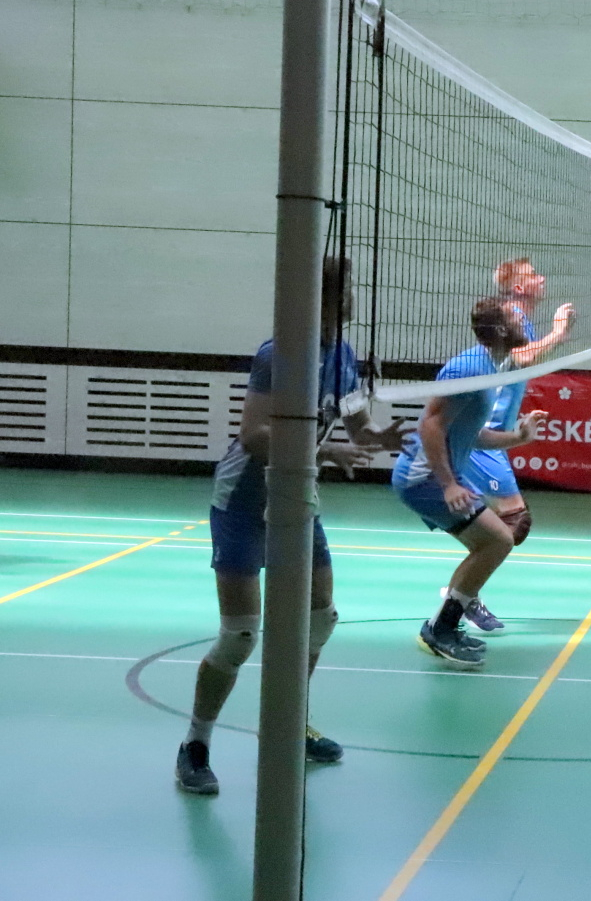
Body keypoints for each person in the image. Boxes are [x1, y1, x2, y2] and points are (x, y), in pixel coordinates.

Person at [176, 257, 408, 796]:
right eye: (343, 290)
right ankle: (195, 745)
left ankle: (287, 721)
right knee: (239, 636)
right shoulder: (277, 354)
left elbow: (356, 423)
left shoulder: (343, 353)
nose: (350, 298)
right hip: (243, 500)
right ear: (321, 297)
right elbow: (254, 436)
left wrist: (378, 438)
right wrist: (325, 451)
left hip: (296, 496)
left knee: (321, 617)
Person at [392, 298, 549, 668]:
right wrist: (448, 484)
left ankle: (442, 627)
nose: (524, 322)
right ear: (500, 330)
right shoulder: (467, 369)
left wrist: (519, 438)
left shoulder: (491, 367)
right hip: (423, 478)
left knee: (489, 545)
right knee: (498, 540)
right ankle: (439, 629)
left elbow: (473, 433)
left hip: (442, 474)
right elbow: (430, 424)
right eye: (515, 318)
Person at [444, 257, 574, 632]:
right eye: (533, 275)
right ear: (519, 288)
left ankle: (464, 591)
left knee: (502, 529)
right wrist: (559, 332)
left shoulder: (522, 320)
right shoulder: (512, 316)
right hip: (480, 437)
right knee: (512, 522)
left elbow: (518, 365)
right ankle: (461, 596)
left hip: (494, 436)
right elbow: (522, 356)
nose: (542, 278)